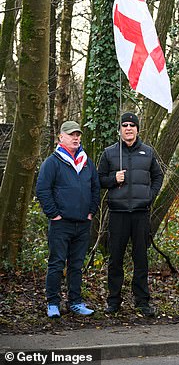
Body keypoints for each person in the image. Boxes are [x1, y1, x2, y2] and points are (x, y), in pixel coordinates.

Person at [98, 112, 164, 317]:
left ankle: (142, 302)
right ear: (120, 129)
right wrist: (112, 179)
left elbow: (158, 176)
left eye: (132, 125)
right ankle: (114, 301)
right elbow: (99, 179)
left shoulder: (148, 152)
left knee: (141, 259)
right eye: (125, 125)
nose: (128, 128)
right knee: (115, 259)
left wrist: (149, 195)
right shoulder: (109, 153)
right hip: (118, 213)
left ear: (137, 129)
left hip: (140, 214)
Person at [36, 121, 100, 318]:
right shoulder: (52, 162)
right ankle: (53, 303)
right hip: (60, 223)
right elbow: (42, 190)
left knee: (76, 265)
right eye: (71, 134)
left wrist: (91, 212)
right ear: (61, 137)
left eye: (78, 134)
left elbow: (95, 188)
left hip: (82, 223)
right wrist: (53, 214)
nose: (76, 138)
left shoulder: (87, 162)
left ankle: (75, 302)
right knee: (56, 263)